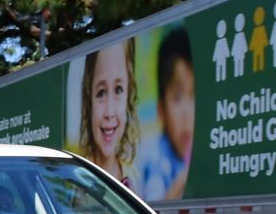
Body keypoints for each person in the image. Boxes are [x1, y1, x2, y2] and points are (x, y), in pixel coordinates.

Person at [138, 28, 195, 201]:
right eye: (177, 97)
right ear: (161, 110)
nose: (187, 113)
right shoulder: (157, 161)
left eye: (195, 95)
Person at [78, 39, 138, 186]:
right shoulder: (78, 177)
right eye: (101, 93)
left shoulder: (135, 179)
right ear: (89, 98)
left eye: (118, 90)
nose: (109, 112)